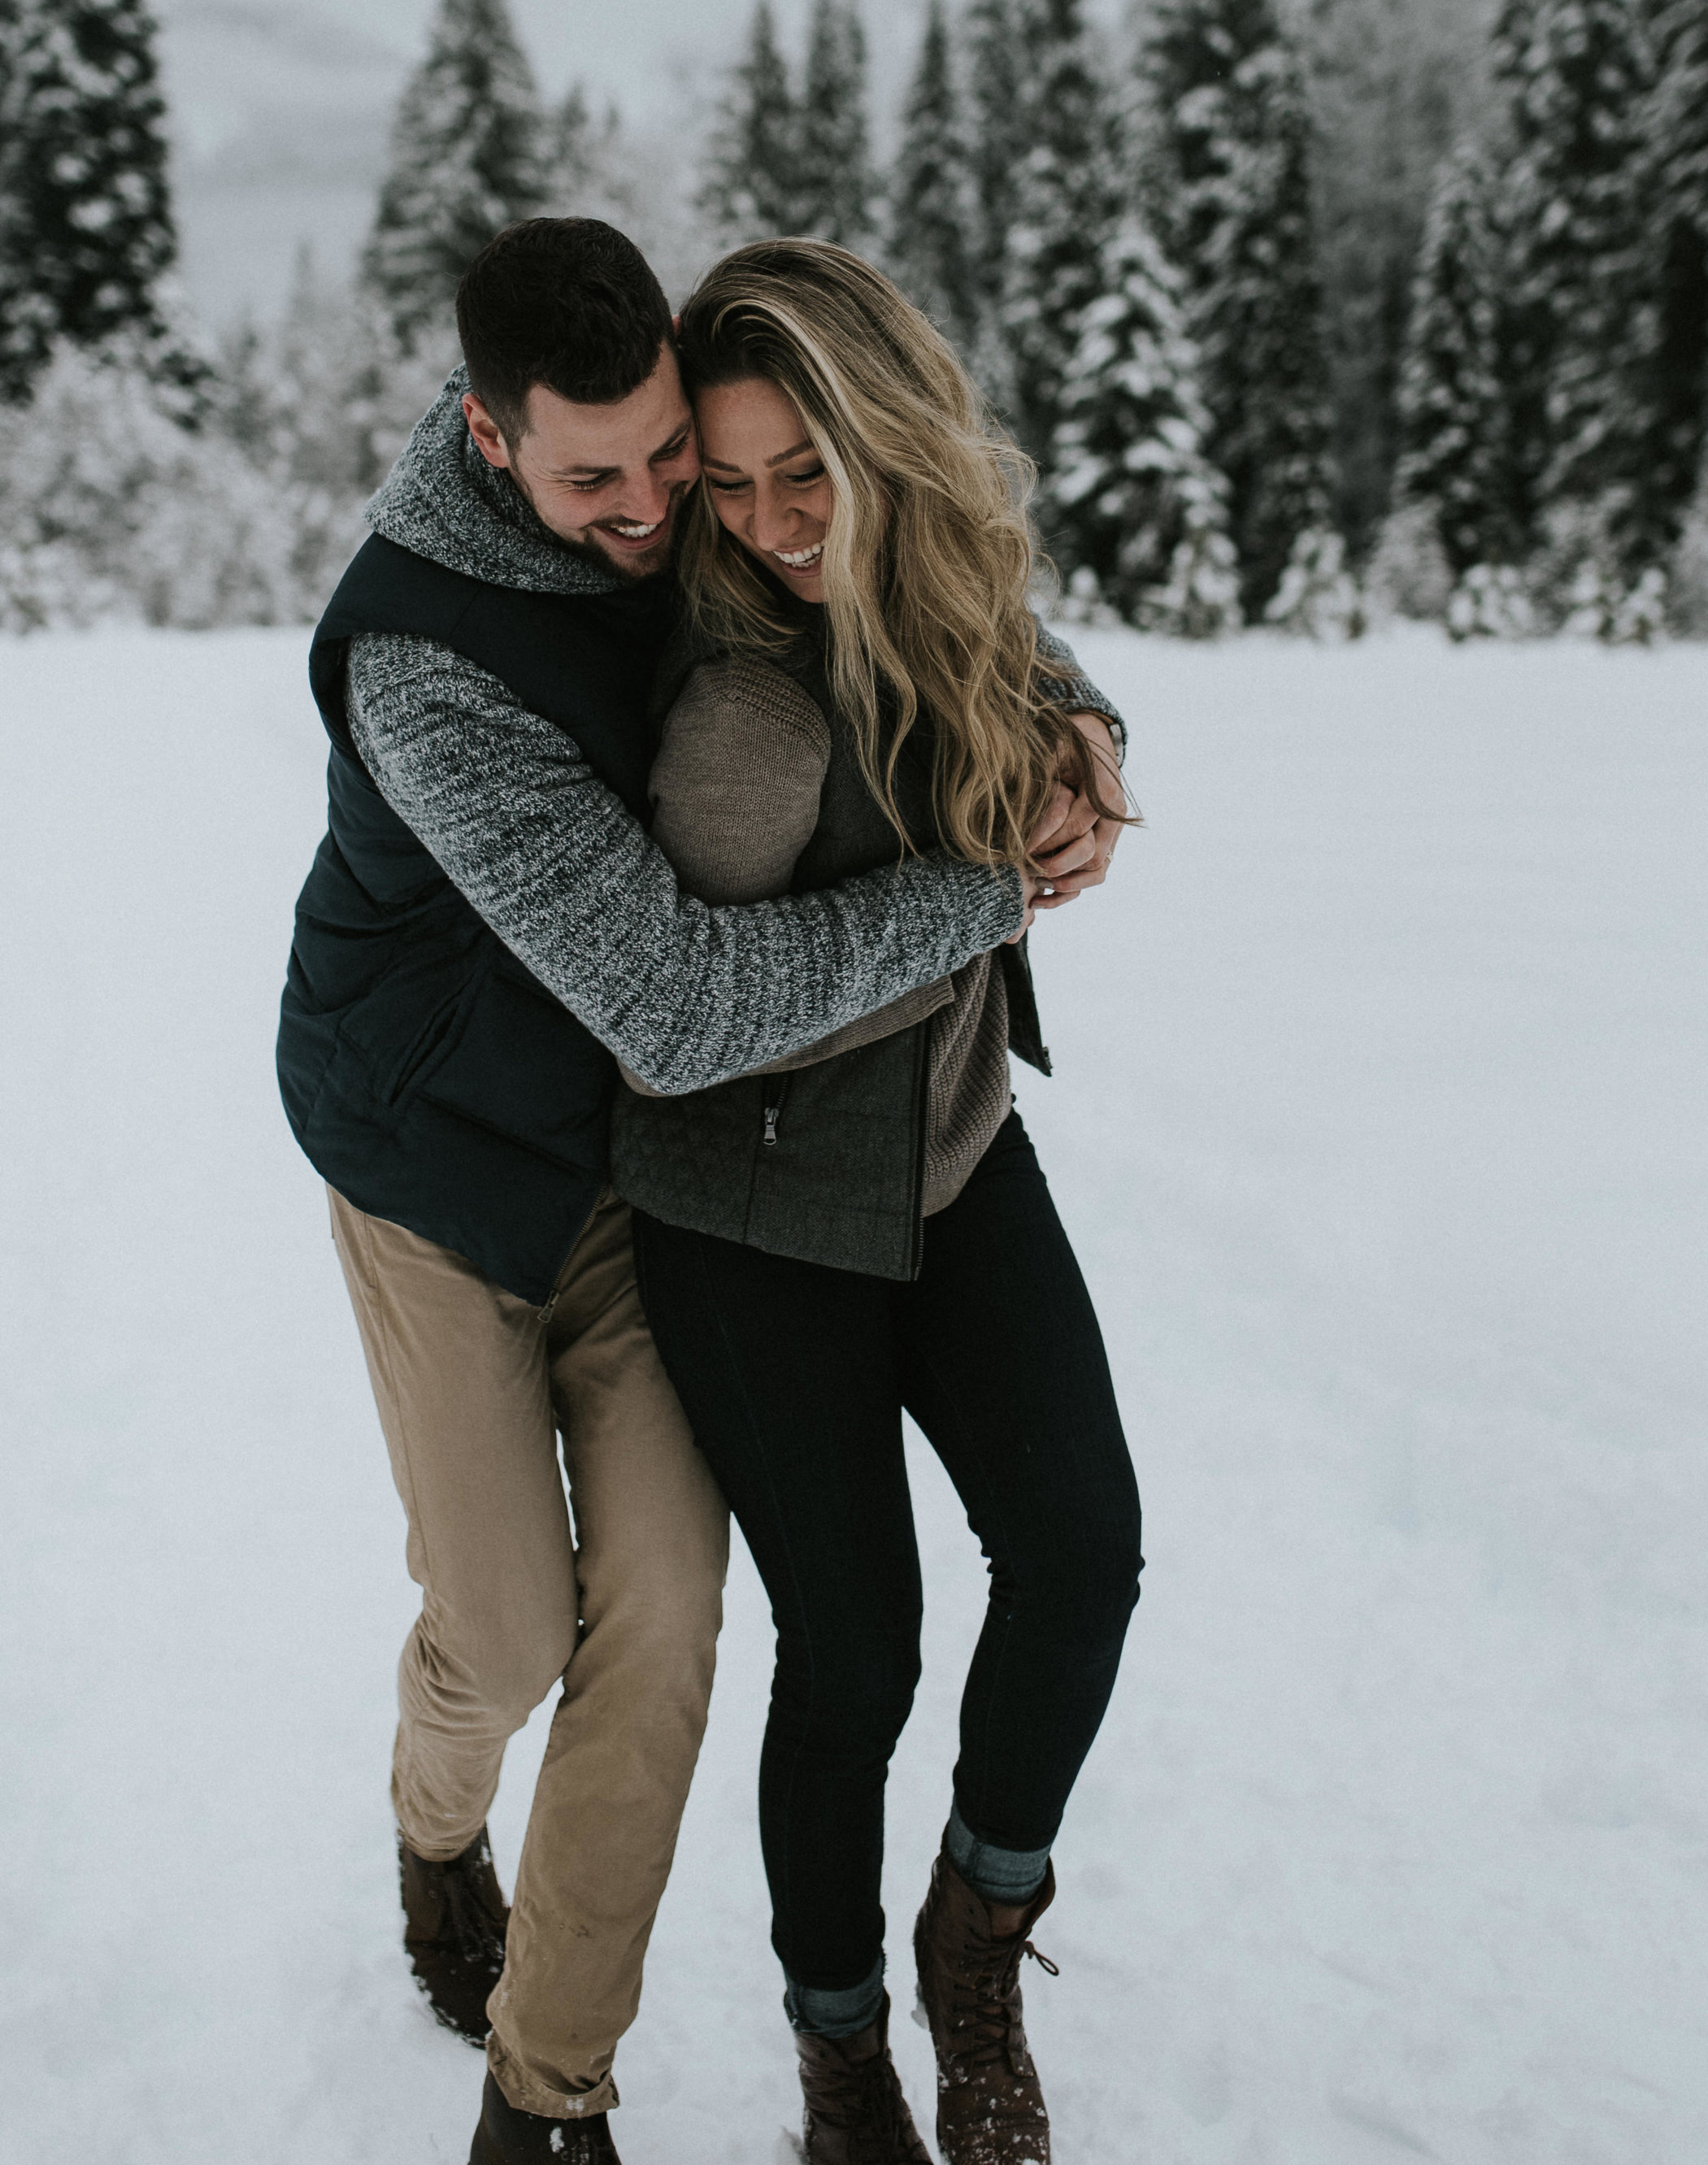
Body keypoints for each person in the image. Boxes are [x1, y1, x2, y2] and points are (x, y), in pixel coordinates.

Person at [276, 216, 1125, 2165]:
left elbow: (886, 553)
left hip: (621, 1152)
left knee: (658, 1615)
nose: (666, 508)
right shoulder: (427, 660)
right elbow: (670, 997)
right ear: (491, 443)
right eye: (606, 477)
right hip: (434, 1156)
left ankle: (542, 2095)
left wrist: (1067, 706)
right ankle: (432, 1829)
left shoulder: (677, 495)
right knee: (504, 1631)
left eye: (681, 456)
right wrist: (980, 890)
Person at [611, 241, 1142, 2165]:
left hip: (943, 1146)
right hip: (743, 1202)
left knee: (1080, 1549)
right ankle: (841, 2056)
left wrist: (1085, 743)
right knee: (859, 1647)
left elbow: (994, 647)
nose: (758, 527)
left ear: (884, 443)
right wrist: (977, 890)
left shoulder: (929, 579)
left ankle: (976, 1934)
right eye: (728, 487)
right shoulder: (735, 715)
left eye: (800, 477)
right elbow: (676, 1018)